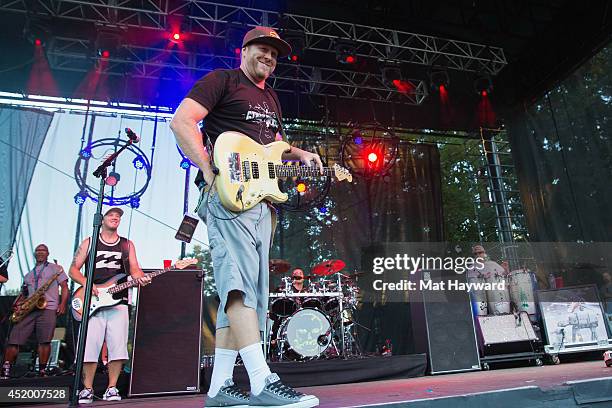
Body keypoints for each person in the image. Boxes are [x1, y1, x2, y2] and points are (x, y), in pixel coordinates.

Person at [171, 26, 320, 408]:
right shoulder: (223, 80)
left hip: (261, 205)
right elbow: (182, 121)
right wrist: (206, 168)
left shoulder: (271, 98)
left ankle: (220, 387)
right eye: (263, 49)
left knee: (245, 295)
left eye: (275, 52)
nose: (269, 56)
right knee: (238, 286)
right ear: (245, 49)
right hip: (228, 199)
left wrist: (299, 156)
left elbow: (272, 150)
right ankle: (261, 380)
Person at [69, 207, 151, 404]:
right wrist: (88, 284)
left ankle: (112, 388)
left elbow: (135, 270)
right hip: (93, 300)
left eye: (118, 216)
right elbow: (73, 269)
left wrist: (141, 278)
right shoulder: (89, 242)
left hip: (119, 301)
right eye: (111, 215)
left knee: (118, 346)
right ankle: (87, 389)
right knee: (89, 347)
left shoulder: (127, 245)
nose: (115, 218)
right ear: (102, 219)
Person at [2, 244, 68, 378]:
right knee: (14, 338)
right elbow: (24, 293)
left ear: (48, 253)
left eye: (43, 250)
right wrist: (18, 304)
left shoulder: (56, 269)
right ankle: (6, 368)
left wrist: (62, 304)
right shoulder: (28, 275)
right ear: (34, 253)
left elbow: (65, 287)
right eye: (37, 250)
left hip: (48, 307)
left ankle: (42, 370)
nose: (40, 252)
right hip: (30, 308)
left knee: (45, 340)